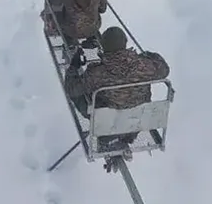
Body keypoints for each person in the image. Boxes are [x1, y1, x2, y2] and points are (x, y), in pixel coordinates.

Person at [64, 26, 171, 171]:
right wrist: (148, 55)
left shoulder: (98, 72)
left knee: (81, 95)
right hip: (139, 118)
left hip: (111, 120)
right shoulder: (145, 65)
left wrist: (73, 67)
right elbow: (165, 69)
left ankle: (109, 135)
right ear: (125, 43)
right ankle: (128, 134)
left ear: (103, 46)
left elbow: (72, 88)